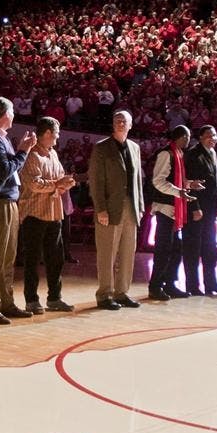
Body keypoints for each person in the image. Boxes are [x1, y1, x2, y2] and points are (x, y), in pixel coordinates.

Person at [0, 97, 37, 324]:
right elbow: (3, 172)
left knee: (8, 256)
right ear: (5, 114)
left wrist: (20, 151)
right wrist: (23, 152)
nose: (14, 114)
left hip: (8, 201)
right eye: (12, 110)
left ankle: (7, 303)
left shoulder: (1, 139)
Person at [18, 116, 76, 314]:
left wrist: (65, 183)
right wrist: (57, 184)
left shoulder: (53, 155)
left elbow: (58, 180)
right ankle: (31, 300)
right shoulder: (32, 156)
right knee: (32, 260)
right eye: (56, 134)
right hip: (34, 214)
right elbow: (33, 184)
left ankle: (54, 298)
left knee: (55, 259)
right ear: (48, 133)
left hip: (54, 214)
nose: (57, 139)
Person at [89, 110, 145, 310]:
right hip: (110, 207)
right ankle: (104, 294)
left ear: (130, 125)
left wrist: (140, 206)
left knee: (128, 252)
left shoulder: (134, 147)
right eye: (117, 121)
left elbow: (138, 180)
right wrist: (100, 209)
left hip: (130, 206)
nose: (121, 124)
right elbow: (96, 182)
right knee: (107, 253)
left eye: (124, 121)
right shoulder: (101, 148)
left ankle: (122, 292)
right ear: (113, 124)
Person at [147, 125, 203, 300]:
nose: (189, 140)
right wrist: (178, 192)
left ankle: (170, 283)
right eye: (187, 137)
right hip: (165, 208)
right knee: (163, 249)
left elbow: (176, 180)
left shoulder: (178, 154)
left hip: (175, 208)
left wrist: (190, 184)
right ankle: (155, 286)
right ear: (181, 137)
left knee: (175, 249)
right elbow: (158, 181)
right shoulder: (166, 154)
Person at [183, 125, 217, 296]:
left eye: (215, 135)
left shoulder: (213, 153)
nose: (213, 138)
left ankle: (211, 283)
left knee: (210, 248)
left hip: (210, 211)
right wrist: (194, 207)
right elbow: (189, 183)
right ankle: (192, 285)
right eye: (209, 135)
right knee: (192, 248)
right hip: (197, 209)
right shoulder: (194, 154)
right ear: (201, 137)